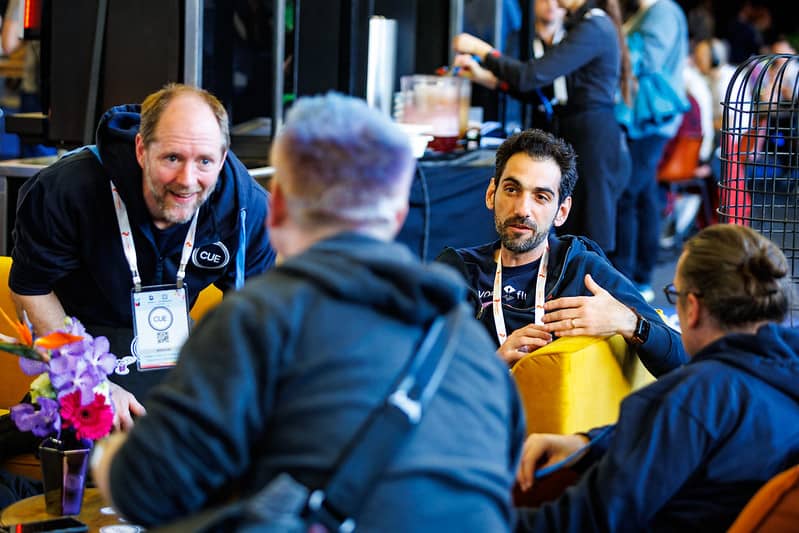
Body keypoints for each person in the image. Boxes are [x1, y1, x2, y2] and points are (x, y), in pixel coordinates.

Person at [90, 93, 525, 531]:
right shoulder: (470, 345)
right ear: (395, 216)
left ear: (277, 206)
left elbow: (146, 490)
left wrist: (110, 456)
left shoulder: (258, 320)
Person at [9, 83, 276, 430]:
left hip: (175, 349)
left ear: (223, 158)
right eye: (172, 158)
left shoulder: (248, 210)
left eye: (205, 161)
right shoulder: (67, 189)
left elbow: (251, 321)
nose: (187, 180)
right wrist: (92, 382)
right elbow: (31, 287)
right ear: (141, 149)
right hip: (82, 342)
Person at [515, 223, 799, 531]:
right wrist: (587, 443)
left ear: (692, 308)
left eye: (673, 293)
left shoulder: (690, 398)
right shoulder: (778, 382)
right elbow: (682, 440)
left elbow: (585, 522)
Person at [436, 129, 685, 376]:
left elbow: (683, 358)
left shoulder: (582, 270)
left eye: (541, 197)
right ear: (492, 194)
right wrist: (494, 364)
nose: (523, 209)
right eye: (512, 190)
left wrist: (629, 322)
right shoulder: (458, 271)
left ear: (562, 211)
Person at [452, 0, 631, 255]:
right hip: (576, 133)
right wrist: (484, 77)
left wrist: (483, 51)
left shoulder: (595, 26)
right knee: (571, 233)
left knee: (591, 234)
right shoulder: (582, 25)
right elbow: (546, 93)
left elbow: (530, 76)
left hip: (593, 139)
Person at [611, 0, 689, 302]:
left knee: (630, 194)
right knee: (642, 194)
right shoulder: (650, 12)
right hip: (646, 119)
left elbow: (648, 61)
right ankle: (637, 277)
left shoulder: (663, 11)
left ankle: (630, 278)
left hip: (651, 120)